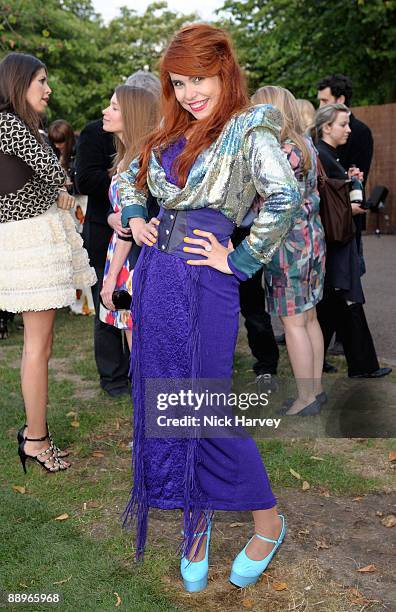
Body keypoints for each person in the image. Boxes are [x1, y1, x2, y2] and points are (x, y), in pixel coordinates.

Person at [118, 24, 301, 592]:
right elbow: (128, 177)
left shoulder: (249, 129)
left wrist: (240, 259)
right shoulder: (172, 128)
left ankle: (268, 523)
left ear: (224, 71)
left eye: (199, 78)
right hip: (156, 279)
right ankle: (194, 520)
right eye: (179, 81)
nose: (190, 90)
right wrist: (134, 219)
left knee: (205, 404)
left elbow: (285, 196)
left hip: (205, 280)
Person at [0, 52, 96, 472]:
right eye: (41, 80)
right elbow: (55, 174)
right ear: (19, 83)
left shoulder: (24, 127)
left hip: (37, 239)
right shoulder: (8, 125)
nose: (48, 88)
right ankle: (35, 440)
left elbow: (46, 182)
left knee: (43, 344)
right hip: (28, 245)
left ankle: (36, 432)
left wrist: (56, 188)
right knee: (36, 347)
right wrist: (58, 184)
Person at [251, 86, 326, 416]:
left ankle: (305, 398)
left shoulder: (279, 153)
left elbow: (265, 201)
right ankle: (316, 390)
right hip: (311, 241)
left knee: (293, 323)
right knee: (309, 318)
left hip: (287, 247)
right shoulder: (305, 145)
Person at [314, 104, 391, 379]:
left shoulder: (327, 156)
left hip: (336, 243)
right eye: (343, 124)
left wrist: (350, 182)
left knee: (334, 303)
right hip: (336, 243)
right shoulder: (321, 156)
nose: (348, 129)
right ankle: (362, 365)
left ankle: (345, 362)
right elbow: (327, 202)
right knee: (344, 300)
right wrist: (352, 203)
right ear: (326, 127)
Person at [99, 85, 160, 350]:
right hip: (124, 258)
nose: (105, 111)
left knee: (142, 350)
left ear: (132, 115)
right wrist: (114, 218)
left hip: (133, 261)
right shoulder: (125, 159)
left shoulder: (142, 161)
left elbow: (131, 228)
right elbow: (123, 218)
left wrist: (112, 278)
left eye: (114, 107)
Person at [75, 112, 131, 396]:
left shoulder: (148, 138)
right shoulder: (94, 132)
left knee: (135, 308)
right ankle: (114, 377)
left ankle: (138, 370)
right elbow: (83, 179)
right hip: (103, 230)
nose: (105, 111)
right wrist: (119, 177)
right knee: (107, 304)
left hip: (138, 236)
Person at [317, 75, 373, 182]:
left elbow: (358, 178)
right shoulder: (316, 130)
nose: (320, 106)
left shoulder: (360, 132)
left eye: (325, 101)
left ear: (340, 100)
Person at [48, 119, 77, 193]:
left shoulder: (78, 152)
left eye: (60, 142)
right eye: (54, 142)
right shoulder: (51, 151)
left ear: (68, 140)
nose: (57, 145)